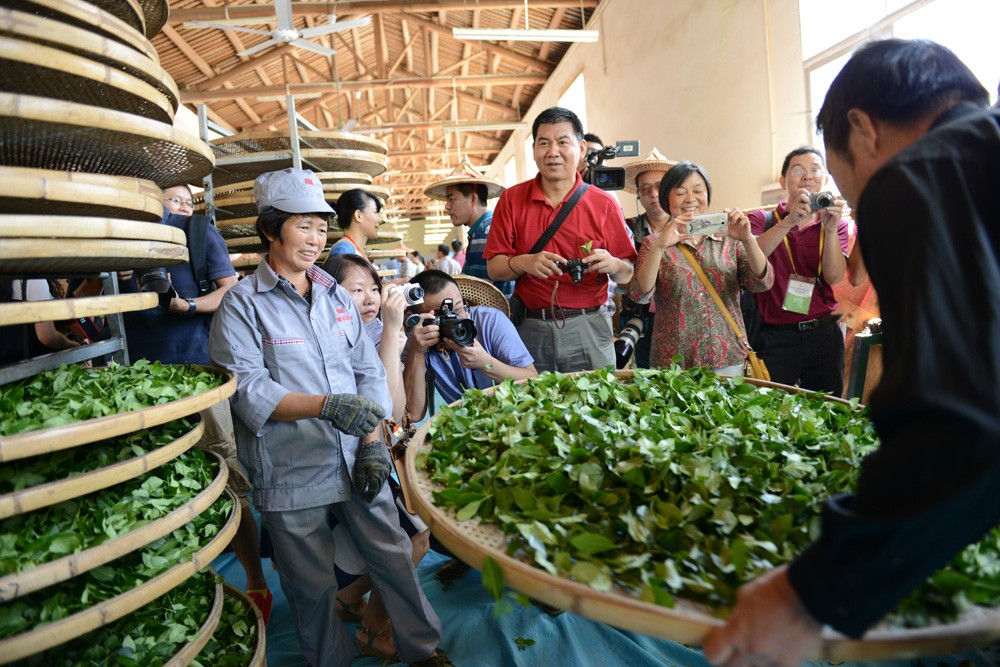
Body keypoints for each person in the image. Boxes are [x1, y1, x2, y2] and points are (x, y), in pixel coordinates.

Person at [703, 39, 1000, 667]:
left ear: (863, 130)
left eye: (844, 179)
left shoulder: (918, 174)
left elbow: (960, 419)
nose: (857, 196)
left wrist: (806, 594)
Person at [209, 168, 451, 667]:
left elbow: (365, 370)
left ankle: (422, 650)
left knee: (394, 558)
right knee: (310, 585)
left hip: (356, 457)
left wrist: (371, 441)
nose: (316, 239)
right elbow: (249, 389)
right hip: (291, 468)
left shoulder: (336, 295)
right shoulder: (242, 305)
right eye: (304, 226)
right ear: (272, 228)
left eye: (322, 228)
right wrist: (325, 405)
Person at [106, 183, 275, 623]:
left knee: (226, 471)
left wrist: (187, 305)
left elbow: (231, 292)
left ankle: (256, 581)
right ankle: (180, 584)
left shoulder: (194, 232)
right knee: (156, 482)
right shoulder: (113, 234)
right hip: (136, 380)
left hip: (198, 372)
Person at [321, 253, 434, 661]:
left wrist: (401, 343)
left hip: (377, 451)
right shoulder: (336, 338)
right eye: (356, 290)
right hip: (355, 457)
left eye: (374, 288)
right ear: (329, 296)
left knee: (404, 540)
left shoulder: (372, 330)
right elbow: (384, 409)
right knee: (414, 540)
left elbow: (405, 409)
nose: (370, 298)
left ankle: (349, 599)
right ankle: (371, 628)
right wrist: (390, 330)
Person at [402, 269, 538, 582]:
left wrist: (484, 363)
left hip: (517, 423)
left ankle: (535, 571)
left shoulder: (489, 321)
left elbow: (533, 379)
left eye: (458, 307)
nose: (454, 318)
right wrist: (418, 352)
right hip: (468, 433)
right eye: (440, 315)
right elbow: (415, 408)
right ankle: (471, 555)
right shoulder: (419, 344)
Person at [484, 107, 637, 373]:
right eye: (544, 143)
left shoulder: (603, 204)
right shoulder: (511, 200)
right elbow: (494, 268)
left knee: (599, 409)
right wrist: (524, 263)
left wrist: (613, 264)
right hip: (529, 329)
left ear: (581, 148)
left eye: (562, 142)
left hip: (590, 327)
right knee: (532, 408)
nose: (552, 151)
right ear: (534, 150)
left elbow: (629, 273)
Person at [629, 162, 772, 374]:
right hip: (673, 362)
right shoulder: (654, 242)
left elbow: (762, 282)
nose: (690, 199)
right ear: (666, 199)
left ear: (708, 195)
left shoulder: (730, 238)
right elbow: (639, 294)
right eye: (680, 192)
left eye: (698, 191)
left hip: (727, 358)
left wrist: (748, 239)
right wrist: (660, 246)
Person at [748, 147, 850, 395]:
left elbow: (834, 277)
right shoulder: (762, 219)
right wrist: (789, 221)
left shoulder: (837, 224)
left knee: (829, 412)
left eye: (816, 170)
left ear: (825, 180)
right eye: (797, 170)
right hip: (774, 338)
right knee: (772, 414)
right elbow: (751, 261)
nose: (808, 176)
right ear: (783, 181)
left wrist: (829, 229)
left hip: (823, 334)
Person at [619, 148, 677, 368]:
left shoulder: (690, 228)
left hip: (682, 318)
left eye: (659, 187)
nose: (653, 194)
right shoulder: (628, 229)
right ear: (638, 195)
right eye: (645, 189)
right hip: (642, 321)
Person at [423, 159, 513, 296]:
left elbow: (477, 292)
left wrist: (436, 279)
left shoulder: (486, 231)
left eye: (451, 199)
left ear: (473, 199)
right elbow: (473, 282)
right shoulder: (483, 229)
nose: (446, 206)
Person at [326, 188, 382, 259]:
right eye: (374, 212)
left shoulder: (349, 249)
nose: (379, 220)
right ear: (358, 215)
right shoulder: (344, 251)